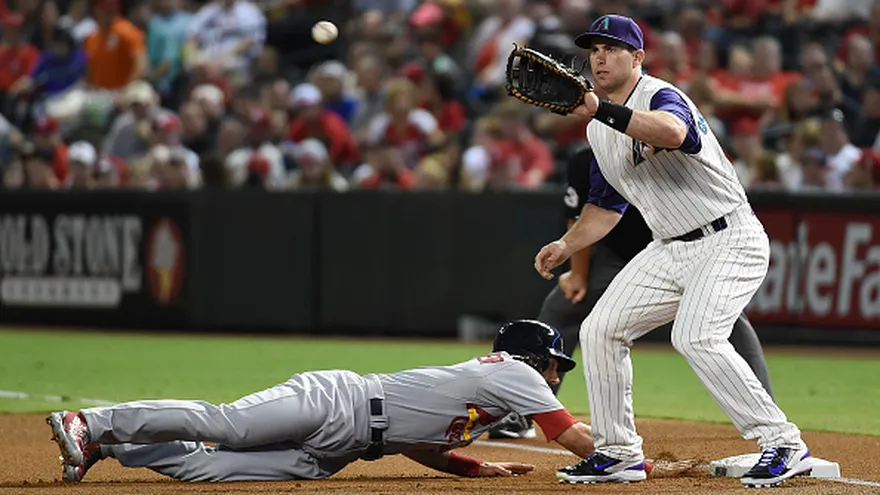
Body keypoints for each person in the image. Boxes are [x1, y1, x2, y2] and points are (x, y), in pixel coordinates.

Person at [532, 15, 810, 487]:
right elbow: (605, 207)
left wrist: (600, 109)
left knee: (696, 336)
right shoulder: (597, 131)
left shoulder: (661, 95)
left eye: (611, 48)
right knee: (600, 330)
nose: (599, 57)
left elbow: (674, 133)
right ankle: (618, 452)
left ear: (638, 57)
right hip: (668, 249)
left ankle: (783, 442)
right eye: (594, 50)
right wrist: (566, 243)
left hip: (729, 237)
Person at [48, 320, 612, 483]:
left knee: (210, 467)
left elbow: (416, 441)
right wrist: (629, 456)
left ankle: (110, 447)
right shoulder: (515, 371)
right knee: (228, 426)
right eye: (555, 363)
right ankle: (89, 421)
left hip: (341, 450)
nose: (556, 374)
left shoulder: (496, 391)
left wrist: (470, 467)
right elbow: (571, 437)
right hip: (338, 401)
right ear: (532, 358)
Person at [489, 145, 776, 440]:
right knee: (562, 309)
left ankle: (767, 414)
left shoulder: (673, 147)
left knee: (725, 321)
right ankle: (525, 411)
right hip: (618, 257)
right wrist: (578, 275)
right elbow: (581, 217)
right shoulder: (589, 158)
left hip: (686, 247)